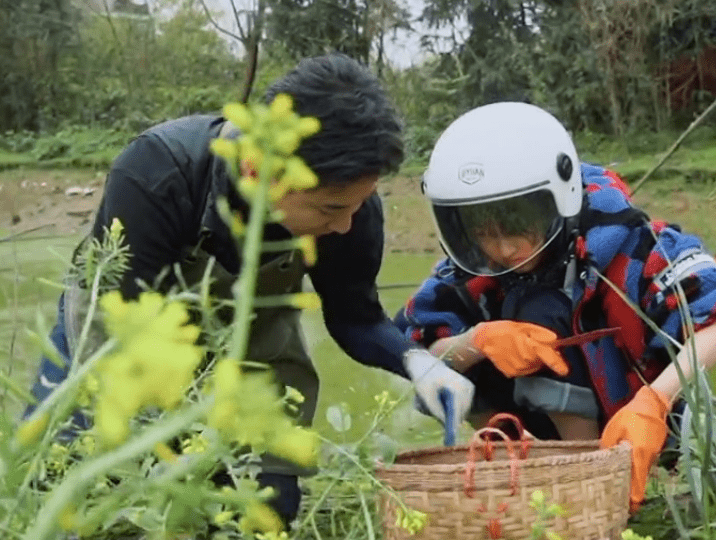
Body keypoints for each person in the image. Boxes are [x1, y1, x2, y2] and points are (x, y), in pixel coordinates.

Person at [24, 53, 475, 527]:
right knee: (61, 490)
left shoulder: (351, 207)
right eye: (328, 210)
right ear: (262, 172)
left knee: (270, 508)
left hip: (256, 352)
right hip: (117, 340)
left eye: (357, 205)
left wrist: (420, 364)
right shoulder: (158, 174)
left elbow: (355, 319)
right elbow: (120, 337)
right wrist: (193, 460)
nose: (346, 224)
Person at [394, 101, 716, 512]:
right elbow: (413, 346)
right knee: (456, 360)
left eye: (517, 228)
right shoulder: (471, 274)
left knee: (545, 309)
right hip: (524, 435)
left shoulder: (628, 246)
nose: (505, 248)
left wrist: (655, 401)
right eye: (484, 235)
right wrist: (478, 341)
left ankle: (602, 476)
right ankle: (527, 471)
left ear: (559, 198)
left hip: (631, 420)